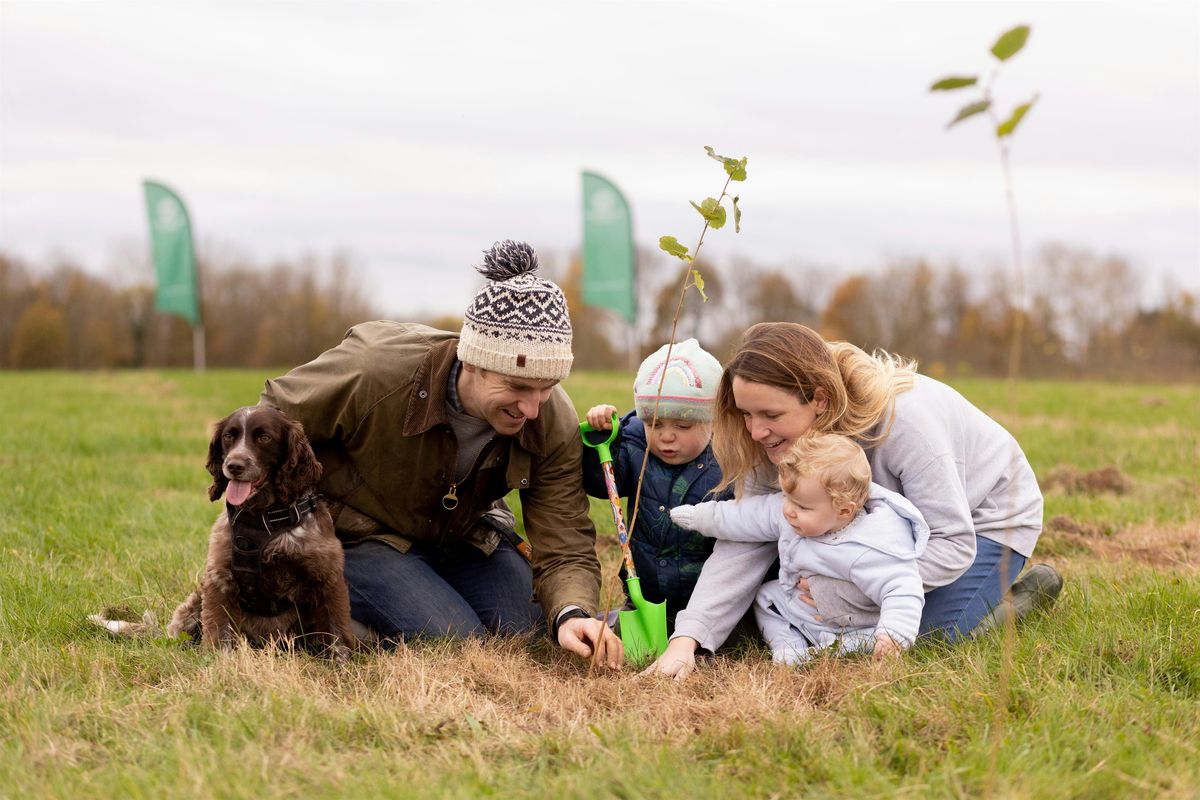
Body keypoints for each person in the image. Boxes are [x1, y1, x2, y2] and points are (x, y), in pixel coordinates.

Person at [260, 240, 622, 668]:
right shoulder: (375, 369)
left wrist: (572, 612)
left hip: (461, 535)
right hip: (354, 536)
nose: (532, 408)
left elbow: (562, 534)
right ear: (473, 363)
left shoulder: (549, 416)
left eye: (546, 387)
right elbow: (270, 424)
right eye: (518, 388)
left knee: (527, 626)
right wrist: (274, 539)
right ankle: (310, 620)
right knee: (455, 639)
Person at [644, 322, 1059, 679]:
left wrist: (848, 590)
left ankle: (1014, 598)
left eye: (770, 415)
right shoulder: (771, 445)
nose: (755, 431)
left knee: (921, 635)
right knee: (793, 616)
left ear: (819, 400)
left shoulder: (905, 423)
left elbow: (952, 542)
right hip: (863, 535)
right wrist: (687, 641)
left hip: (984, 519)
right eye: (746, 415)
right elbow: (746, 538)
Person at [670, 433, 928, 665]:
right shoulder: (792, 511)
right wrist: (698, 517)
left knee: (866, 639)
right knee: (767, 599)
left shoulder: (870, 545)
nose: (789, 510)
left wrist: (893, 634)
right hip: (800, 608)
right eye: (787, 498)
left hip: (851, 624)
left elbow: (902, 589)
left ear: (844, 510)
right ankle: (788, 649)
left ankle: (836, 651)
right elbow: (745, 516)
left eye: (803, 507)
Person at [581, 338, 731, 629]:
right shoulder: (635, 444)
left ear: (712, 420)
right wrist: (602, 444)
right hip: (645, 594)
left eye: (683, 426)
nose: (666, 436)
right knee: (621, 633)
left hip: (706, 600)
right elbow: (602, 484)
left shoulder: (726, 461)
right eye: (655, 423)